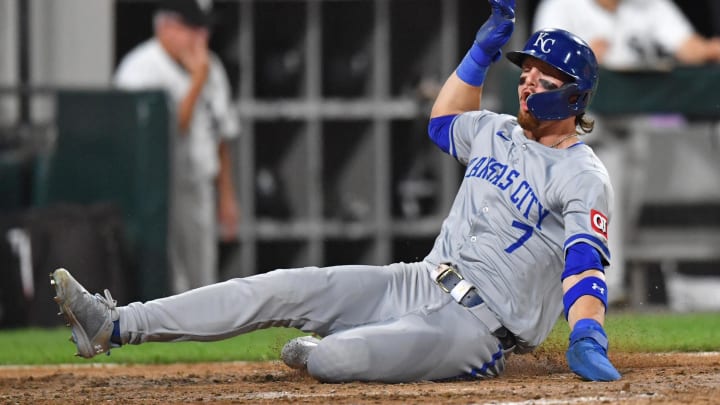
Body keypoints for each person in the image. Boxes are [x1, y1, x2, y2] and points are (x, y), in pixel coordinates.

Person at [50, 0, 620, 383]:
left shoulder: (582, 175)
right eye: (524, 72)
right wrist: (479, 55)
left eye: (542, 77)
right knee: (277, 288)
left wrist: (587, 331)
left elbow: (584, 265)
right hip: (419, 277)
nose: (527, 83)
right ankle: (116, 323)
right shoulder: (497, 129)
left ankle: (346, 344)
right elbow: (443, 122)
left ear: (575, 97)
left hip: (479, 328)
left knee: (333, 359)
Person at [533, 0, 720, 305]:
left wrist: (711, 48)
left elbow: (690, 49)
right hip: (571, 135)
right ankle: (581, 287)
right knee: (581, 203)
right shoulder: (561, 6)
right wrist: (575, 61)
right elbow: (537, 72)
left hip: (626, 128)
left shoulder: (648, 5)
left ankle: (604, 286)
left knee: (616, 213)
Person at [114, 0, 240, 293]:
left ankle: (202, 335)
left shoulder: (211, 66)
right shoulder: (139, 69)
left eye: (204, 28)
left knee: (203, 275)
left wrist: (227, 194)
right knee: (168, 277)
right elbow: (161, 137)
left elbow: (220, 133)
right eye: (193, 28)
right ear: (166, 27)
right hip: (155, 191)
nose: (202, 37)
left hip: (198, 184)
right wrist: (196, 82)